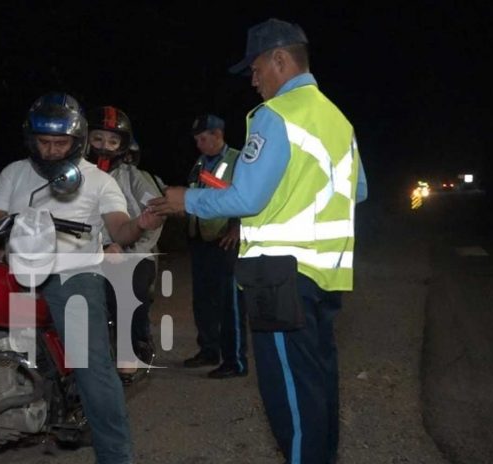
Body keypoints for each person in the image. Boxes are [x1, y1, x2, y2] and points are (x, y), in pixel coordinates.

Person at [149, 18, 368, 464]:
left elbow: (247, 197)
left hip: (280, 276)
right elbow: (358, 190)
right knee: (317, 387)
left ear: (281, 60)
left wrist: (183, 200)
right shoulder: (336, 118)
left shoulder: (278, 116)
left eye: (255, 68)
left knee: (290, 399)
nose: (253, 80)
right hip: (325, 276)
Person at [0, 92, 162, 464]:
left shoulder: (97, 181)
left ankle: (116, 455)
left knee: (91, 364)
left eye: (59, 143)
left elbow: (119, 228)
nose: (50, 151)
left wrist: (139, 224)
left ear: (76, 141)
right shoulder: (14, 172)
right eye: (43, 142)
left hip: (73, 274)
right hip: (16, 268)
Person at [86, 105, 165, 381]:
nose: (104, 147)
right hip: (86, 252)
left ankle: (130, 347)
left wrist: (129, 250)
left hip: (132, 254)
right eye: (97, 139)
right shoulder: (73, 175)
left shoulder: (134, 177)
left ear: (123, 145)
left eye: (112, 141)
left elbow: (155, 215)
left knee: (127, 285)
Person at [181, 114, 248, 379]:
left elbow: (248, 196)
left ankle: (235, 361)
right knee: (203, 300)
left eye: (203, 138)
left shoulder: (239, 160)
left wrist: (237, 227)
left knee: (229, 303)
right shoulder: (201, 161)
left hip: (225, 239)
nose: (199, 144)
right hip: (201, 239)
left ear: (218, 135)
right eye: (196, 140)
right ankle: (209, 350)